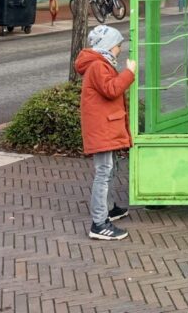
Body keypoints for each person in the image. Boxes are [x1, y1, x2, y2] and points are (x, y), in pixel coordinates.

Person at [75, 24, 137, 240]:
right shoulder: (98, 67)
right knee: (103, 172)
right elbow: (112, 89)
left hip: (104, 126)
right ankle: (99, 223)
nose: (120, 50)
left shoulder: (99, 63)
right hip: (101, 128)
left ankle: (108, 209)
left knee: (108, 169)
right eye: (118, 46)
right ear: (109, 46)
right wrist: (130, 73)